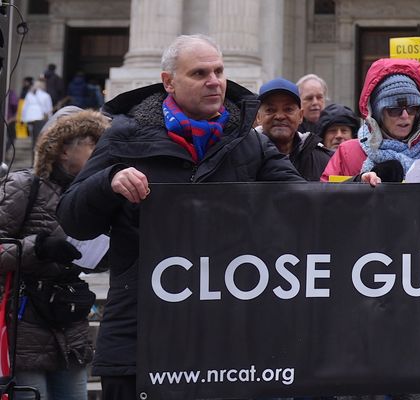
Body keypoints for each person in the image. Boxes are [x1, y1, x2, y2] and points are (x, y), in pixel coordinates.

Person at [56, 34, 304, 400]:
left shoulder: (251, 143)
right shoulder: (125, 137)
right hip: (141, 338)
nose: (214, 81)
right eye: (200, 73)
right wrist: (108, 182)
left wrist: (359, 188)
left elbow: (304, 204)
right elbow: (72, 217)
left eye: (219, 70)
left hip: (227, 340)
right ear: (169, 82)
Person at [0, 108, 107, 400]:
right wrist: (39, 247)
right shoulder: (25, 185)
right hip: (27, 325)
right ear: (63, 150)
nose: (99, 152)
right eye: (91, 145)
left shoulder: (91, 193)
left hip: (70, 322)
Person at [322, 58, 420, 183]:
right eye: (394, 110)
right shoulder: (347, 153)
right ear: (377, 114)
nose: (404, 115)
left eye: (412, 108)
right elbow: (326, 198)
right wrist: (358, 182)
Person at [256, 77, 332, 181]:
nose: (279, 116)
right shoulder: (242, 158)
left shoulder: (324, 160)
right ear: (258, 117)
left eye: (288, 109)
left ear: (300, 116)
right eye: (270, 110)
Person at [22, 77, 53, 145]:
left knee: (33, 135)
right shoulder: (46, 95)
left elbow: (25, 107)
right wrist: (50, 119)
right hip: (40, 117)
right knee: (38, 136)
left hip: (29, 117)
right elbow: (49, 109)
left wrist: (23, 118)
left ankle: (33, 148)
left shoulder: (29, 94)